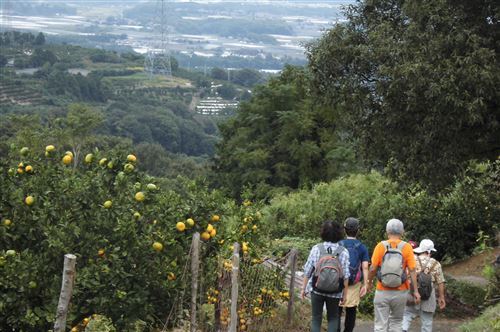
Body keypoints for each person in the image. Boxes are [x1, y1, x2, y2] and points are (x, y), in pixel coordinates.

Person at [367, 218, 420, 332]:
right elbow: (412, 269)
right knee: (396, 322)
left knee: (380, 325)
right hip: (400, 291)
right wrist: (415, 291)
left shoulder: (380, 246)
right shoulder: (407, 247)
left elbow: (372, 268)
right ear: (402, 232)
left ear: (387, 231)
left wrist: (369, 283)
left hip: (382, 290)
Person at [301, 220, 350, 332]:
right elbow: (346, 276)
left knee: (316, 318)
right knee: (333, 318)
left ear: (323, 232)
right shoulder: (343, 252)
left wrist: (303, 289)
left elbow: (308, 270)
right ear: (339, 233)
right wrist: (345, 295)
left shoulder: (316, 248)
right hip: (335, 291)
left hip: (316, 289)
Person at [402, 239, 446, 332]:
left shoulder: (412, 260)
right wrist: (441, 297)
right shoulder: (436, 263)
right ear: (429, 251)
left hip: (412, 291)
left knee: (407, 315)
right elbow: (440, 282)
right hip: (428, 294)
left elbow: (405, 275)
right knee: (427, 322)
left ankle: (403, 329)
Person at [337, 217, 370, 332]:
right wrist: (365, 284)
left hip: (339, 283)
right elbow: (365, 267)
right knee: (351, 310)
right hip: (354, 284)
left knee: (337, 310)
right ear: (358, 230)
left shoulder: (338, 244)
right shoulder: (362, 247)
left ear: (345, 230)